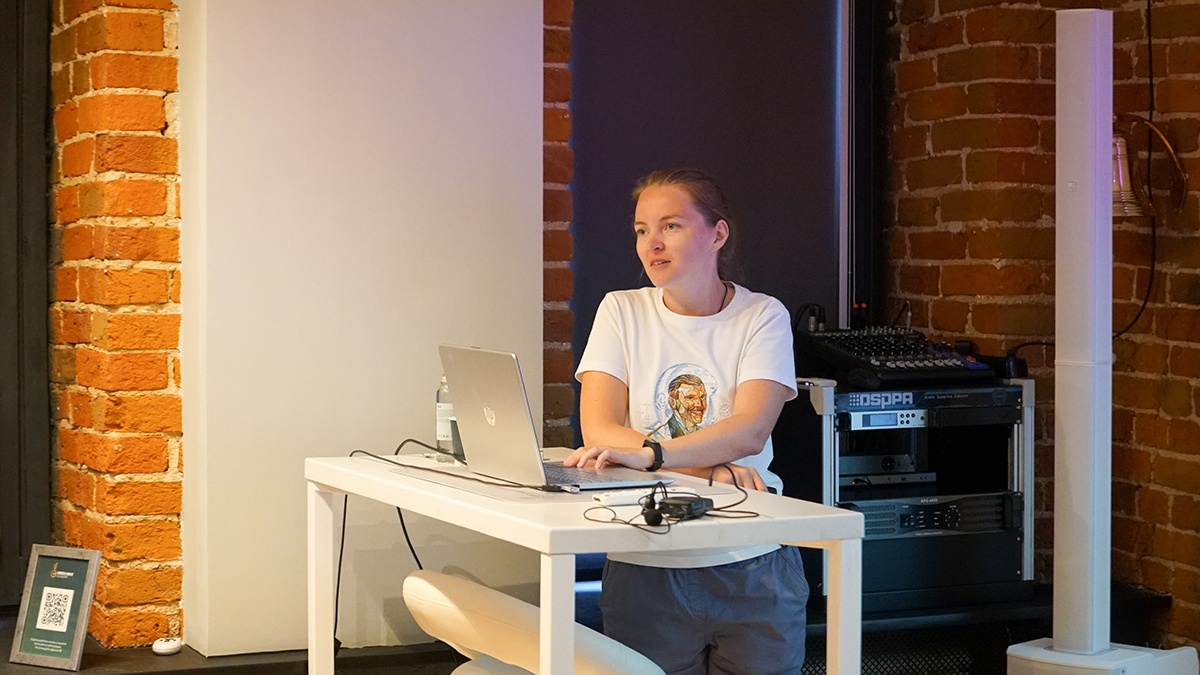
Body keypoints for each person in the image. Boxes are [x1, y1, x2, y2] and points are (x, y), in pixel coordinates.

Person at [564, 168, 808, 675]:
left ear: (718, 234)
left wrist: (650, 455)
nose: (651, 243)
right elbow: (600, 433)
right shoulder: (621, 310)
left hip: (750, 558)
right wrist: (708, 471)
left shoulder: (762, 315)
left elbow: (750, 431)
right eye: (641, 230)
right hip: (645, 562)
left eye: (670, 226)